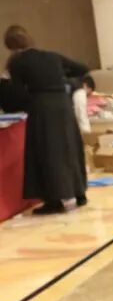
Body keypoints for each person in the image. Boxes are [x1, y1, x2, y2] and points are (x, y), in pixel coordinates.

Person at [4, 26, 88, 215]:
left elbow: (17, 92)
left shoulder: (17, 62)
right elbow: (82, 68)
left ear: (10, 45)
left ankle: (54, 200)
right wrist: (62, 80)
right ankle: (79, 193)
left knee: (47, 152)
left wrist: (26, 102)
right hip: (63, 105)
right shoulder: (51, 56)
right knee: (69, 148)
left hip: (42, 107)